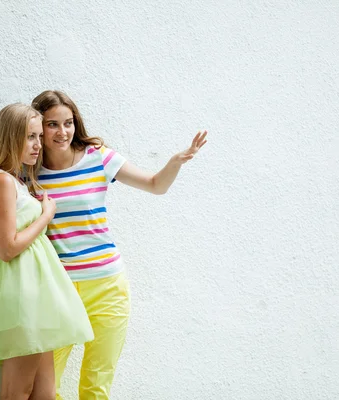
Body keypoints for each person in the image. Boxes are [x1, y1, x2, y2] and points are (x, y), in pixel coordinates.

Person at [30, 90, 207, 400]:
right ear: (38, 127)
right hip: (58, 289)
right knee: (45, 388)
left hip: (107, 285)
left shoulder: (98, 157)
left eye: (68, 123)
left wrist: (175, 163)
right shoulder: (29, 171)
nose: (62, 132)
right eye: (52, 124)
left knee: (95, 387)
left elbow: (155, 185)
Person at [0, 103, 94, 400]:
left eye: (39, 136)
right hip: (21, 292)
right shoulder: (0, 181)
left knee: (45, 393)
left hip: (37, 293)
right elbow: (7, 248)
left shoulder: (17, 182)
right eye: (30, 137)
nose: (38, 144)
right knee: (18, 392)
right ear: (9, 137)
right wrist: (45, 216)